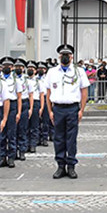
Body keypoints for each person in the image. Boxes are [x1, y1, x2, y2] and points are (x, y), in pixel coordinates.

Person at [45, 44, 90, 179]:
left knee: (71, 139)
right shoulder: (52, 72)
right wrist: (50, 111)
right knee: (58, 138)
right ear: (59, 57)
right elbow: (47, 93)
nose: (65, 57)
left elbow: (84, 91)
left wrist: (81, 110)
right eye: (62, 55)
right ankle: (60, 166)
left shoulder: (79, 71)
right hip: (57, 108)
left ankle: (71, 166)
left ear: (71, 57)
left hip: (72, 108)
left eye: (68, 55)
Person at [0, 56, 22, 168]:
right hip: (1, 106)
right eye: (4, 66)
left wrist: (18, 112)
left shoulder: (16, 80)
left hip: (12, 106)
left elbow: (19, 97)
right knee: (1, 134)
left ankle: (11, 157)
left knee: (11, 133)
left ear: (12, 68)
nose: (6, 67)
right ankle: (2, 157)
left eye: (8, 66)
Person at [14, 58, 33, 161]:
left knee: (23, 128)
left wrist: (30, 108)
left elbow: (31, 95)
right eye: (16, 67)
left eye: (20, 67)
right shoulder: (11, 79)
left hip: (24, 103)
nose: (18, 69)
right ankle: (14, 151)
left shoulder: (27, 80)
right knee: (13, 130)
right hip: (14, 104)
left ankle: (22, 150)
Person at [25, 60, 43, 154]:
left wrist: (41, 107)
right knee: (25, 126)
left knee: (34, 125)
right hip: (26, 102)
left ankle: (33, 144)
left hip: (35, 103)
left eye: (32, 68)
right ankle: (26, 144)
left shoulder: (38, 81)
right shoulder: (24, 80)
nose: (30, 70)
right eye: (28, 68)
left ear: (35, 71)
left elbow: (41, 95)